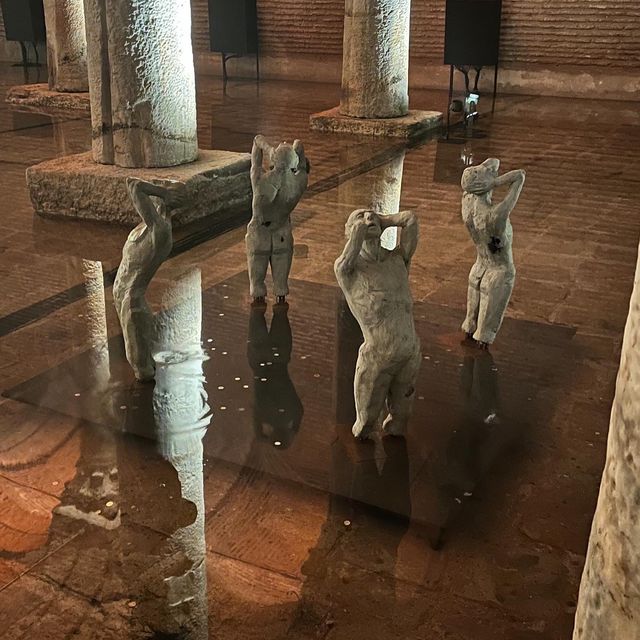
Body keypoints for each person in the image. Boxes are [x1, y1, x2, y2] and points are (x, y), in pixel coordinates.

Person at [335, 209, 421, 440]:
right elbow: (343, 262)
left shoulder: (397, 260)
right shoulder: (350, 271)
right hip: (378, 356)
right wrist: (358, 233)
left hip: (410, 350)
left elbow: (410, 219)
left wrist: (382, 221)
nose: (368, 218)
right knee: (366, 424)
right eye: (360, 216)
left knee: (401, 416)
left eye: (372, 214)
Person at [113, 177, 185, 382]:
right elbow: (131, 183)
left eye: (165, 187)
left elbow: (135, 186)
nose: (160, 187)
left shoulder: (160, 230)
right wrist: (162, 189)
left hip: (133, 302)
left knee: (142, 368)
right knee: (139, 362)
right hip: (123, 298)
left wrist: (161, 191)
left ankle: (144, 409)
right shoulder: (149, 226)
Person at [460, 158, 526, 348]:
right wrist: (495, 182)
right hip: (500, 268)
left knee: (473, 308)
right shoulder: (495, 216)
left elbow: (491, 163)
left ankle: (469, 326)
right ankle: (484, 336)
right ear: (484, 184)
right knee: (490, 307)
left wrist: (483, 179)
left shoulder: (467, 207)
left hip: (479, 265)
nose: (492, 169)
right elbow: (520, 176)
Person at [246, 134, 310, 304]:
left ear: (275, 159)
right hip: (282, 232)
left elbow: (256, 141)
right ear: (293, 163)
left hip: (259, 233)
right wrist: (297, 148)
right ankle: (280, 297)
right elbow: (302, 163)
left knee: (257, 283)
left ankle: (258, 296)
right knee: (281, 285)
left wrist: (268, 149)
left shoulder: (260, 179)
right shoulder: (298, 184)